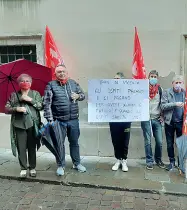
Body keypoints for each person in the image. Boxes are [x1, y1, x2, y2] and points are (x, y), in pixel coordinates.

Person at [43, 64, 86, 176]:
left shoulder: (73, 83)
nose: (61, 73)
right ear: (55, 74)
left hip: (73, 120)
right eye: (59, 72)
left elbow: (83, 95)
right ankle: (61, 165)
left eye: (63, 71)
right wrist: (50, 120)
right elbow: (47, 103)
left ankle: (77, 163)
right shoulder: (51, 85)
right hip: (58, 121)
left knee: (74, 143)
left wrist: (78, 96)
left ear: (67, 73)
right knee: (59, 144)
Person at [5, 74, 43, 178]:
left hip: (32, 125)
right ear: (18, 83)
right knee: (21, 147)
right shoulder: (13, 95)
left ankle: (32, 168)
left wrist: (30, 100)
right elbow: (6, 108)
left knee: (32, 147)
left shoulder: (35, 94)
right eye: (22, 81)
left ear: (31, 83)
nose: (25, 82)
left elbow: (40, 106)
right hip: (19, 125)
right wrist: (16, 109)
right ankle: (23, 168)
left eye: (27, 81)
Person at [141, 70, 165, 170]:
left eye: (155, 76)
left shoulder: (160, 89)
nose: (153, 78)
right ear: (148, 77)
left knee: (159, 141)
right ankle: (149, 161)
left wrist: (163, 116)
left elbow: (163, 104)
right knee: (148, 141)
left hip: (157, 119)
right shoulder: (143, 89)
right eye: (151, 76)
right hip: (146, 119)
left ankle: (158, 160)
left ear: (157, 78)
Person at [161, 75, 186, 171]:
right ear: (172, 84)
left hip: (181, 123)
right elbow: (163, 106)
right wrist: (175, 104)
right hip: (169, 122)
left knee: (181, 144)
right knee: (169, 143)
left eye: (180, 83)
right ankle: (171, 162)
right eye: (176, 83)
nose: (178, 85)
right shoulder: (167, 92)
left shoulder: (184, 93)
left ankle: (180, 164)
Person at [109, 72, 131, 172]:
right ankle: (118, 159)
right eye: (114, 79)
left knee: (125, 141)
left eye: (117, 79)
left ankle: (124, 160)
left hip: (126, 121)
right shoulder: (109, 91)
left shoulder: (128, 91)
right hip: (113, 121)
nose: (115, 81)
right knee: (115, 141)